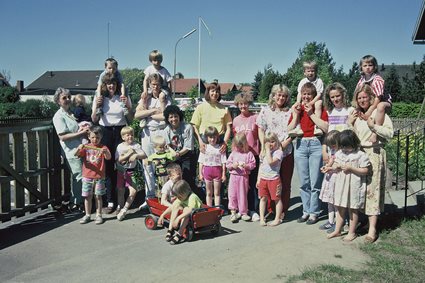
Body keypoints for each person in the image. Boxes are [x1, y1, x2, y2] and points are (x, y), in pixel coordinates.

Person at [349, 84, 394, 243]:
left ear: (370, 97)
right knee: (360, 191)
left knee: (372, 191)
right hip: (359, 154)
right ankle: (365, 222)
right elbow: (351, 139)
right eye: (359, 98)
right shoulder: (355, 114)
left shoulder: (378, 113)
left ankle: (373, 230)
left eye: (364, 97)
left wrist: (374, 127)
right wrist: (350, 123)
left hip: (374, 153)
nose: (362, 100)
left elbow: (390, 133)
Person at [288, 82, 329, 225]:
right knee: (304, 181)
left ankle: (314, 212)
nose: (306, 97)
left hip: (316, 143)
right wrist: (295, 114)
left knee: (315, 181)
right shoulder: (298, 109)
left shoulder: (319, 108)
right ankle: (306, 211)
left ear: (313, 96)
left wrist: (311, 113)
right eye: (304, 94)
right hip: (301, 144)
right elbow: (289, 128)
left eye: (309, 94)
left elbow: (325, 128)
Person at [92, 73, 132, 213]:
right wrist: (98, 105)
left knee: (121, 164)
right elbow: (94, 119)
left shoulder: (122, 97)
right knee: (107, 167)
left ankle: (122, 200)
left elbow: (130, 118)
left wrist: (125, 104)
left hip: (120, 131)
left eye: (113, 84)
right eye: (108, 83)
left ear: (117, 85)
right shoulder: (100, 99)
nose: (111, 86)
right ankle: (110, 201)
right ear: (104, 85)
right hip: (106, 132)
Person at [256, 84, 294, 221]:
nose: (281, 98)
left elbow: (294, 130)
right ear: (273, 95)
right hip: (269, 152)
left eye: (284, 96)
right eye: (279, 95)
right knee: (268, 180)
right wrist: (263, 146)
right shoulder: (265, 111)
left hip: (286, 150)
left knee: (284, 181)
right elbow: (260, 129)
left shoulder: (290, 111)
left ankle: (282, 211)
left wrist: (284, 145)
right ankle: (271, 210)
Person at [135, 74, 172, 210]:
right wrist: (152, 111)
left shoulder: (165, 97)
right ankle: (149, 197)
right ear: (149, 85)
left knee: (163, 164)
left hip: (161, 132)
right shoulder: (146, 98)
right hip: (147, 133)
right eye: (152, 84)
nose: (155, 87)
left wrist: (149, 114)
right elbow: (137, 115)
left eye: (157, 84)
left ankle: (165, 197)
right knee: (148, 165)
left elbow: (165, 117)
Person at [327, 130, 370, 242]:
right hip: (341, 185)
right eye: (342, 146)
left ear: (354, 143)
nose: (345, 149)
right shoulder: (340, 153)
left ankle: (352, 232)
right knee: (340, 207)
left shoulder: (360, 155)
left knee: (353, 208)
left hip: (354, 186)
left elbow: (365, 170)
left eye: (347, 146)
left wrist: (351, 168)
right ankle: (338, 229)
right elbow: (336, 165)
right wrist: (330, 168)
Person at [53, 87, 90, 211]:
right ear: (58, 101)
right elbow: (62, 136)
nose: (68, 99)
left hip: (80, 148)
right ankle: (77, 203)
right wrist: (81, 133)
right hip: (70, 150)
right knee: (78, 175)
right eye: (64, 98)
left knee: (81, 175)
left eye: (69, 97)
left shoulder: (72, 112)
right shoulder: (58, 116)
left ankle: (79, 202)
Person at [75, 126, 112, 225]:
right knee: (87, 196)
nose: (95, 140)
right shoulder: (86, 147)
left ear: (101, 137)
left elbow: (108, 158)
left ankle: (99, 214)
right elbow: (77, 155)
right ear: (89, 137)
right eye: (92, 137)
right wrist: (79, 148)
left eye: (97, 138)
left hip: (99, 176)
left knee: (98, 196)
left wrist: (106, 152)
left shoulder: (103, 147)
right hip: (87, 176)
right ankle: (87, 214)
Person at [232, 93, 260, 221]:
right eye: (240, 104)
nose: (243, 106)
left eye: (245, 103)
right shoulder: (236, 120)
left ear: (249, 104)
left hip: (252, 155)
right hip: (239, 157)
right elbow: (234, 139)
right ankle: (239, 209)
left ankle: (253, 210)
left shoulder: (255, 118)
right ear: (237, 105)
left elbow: (260, 136)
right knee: (240, 185)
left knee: (252, 184)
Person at [163, 105, 198, 197]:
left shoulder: (187, 127)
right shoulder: (166, 130)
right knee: (174, 177)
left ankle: (191, 198)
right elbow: (167, 146)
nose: (173, 119)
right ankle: (176, 197)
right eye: (171, 117)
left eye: (176, 116)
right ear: (167, 119)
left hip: (187, 155)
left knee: (187, 178)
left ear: (179, 116)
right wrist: (173, 153)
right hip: (174, 156)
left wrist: (177, 153)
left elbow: (188, 147)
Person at [356, 55, 392, 144]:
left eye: (370, 65)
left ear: (375, 66)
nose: (367, 68)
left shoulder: (378, 79)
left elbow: (378, 98)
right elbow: (357, 94)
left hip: (384, 101)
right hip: (369, 101)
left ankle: (375, 133)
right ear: (361, 67)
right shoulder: (361, 80)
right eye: (365, 66)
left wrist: (369, 111)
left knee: (380, 106)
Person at [190, 81, 232, 154]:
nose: (215, 93)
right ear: (208, 92)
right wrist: (200, 141)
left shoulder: (224, 109)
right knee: (204, 164)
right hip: (204, 140)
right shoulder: (200, 107)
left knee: (221, 164)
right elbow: (194, 126)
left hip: (220, 140)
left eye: (217, 92)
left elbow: (228, 128)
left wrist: (225, 143)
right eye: (212, 91)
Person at [115, 126, 147, 221]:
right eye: (128, 135)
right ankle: (120, 207)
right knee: (121, 191)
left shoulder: (136, 145)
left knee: (133, 191)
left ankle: (124, 209)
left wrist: (136, 154)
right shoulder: (120, 147)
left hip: (132, 171)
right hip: (121, 171)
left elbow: (144, 155)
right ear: (123, 137)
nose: (130, 137)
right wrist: (129, 153)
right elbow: (119, 159)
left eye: (132, 135)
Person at [158, 180, 203, 245]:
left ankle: (180, 233)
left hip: (197, 214)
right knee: (176, 205)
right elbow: (172, 206)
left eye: (179, 196)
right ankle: (170, 229)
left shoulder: (192, 197)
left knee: (186, 210)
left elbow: (190, 210)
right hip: (189, 213)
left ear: (184, 192)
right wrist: (162, 215)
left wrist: (178, 218)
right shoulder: (182, 197)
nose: (178, 198)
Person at [289, 60, 325, 137]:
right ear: (304, 72)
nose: (310, 73)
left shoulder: (319, 81)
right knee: (295, 107)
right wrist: (298, 102)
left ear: (315, 72)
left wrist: (311, 103)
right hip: (305, 100)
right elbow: (299, 93)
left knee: (319, 103)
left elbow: (319, 94)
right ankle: (298, 127)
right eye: (308, 71)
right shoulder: (303, 81)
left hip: (315, 100)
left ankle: (317, 127)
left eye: (312, 71)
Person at [226, 132, 256, 223]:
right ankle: (233, 212)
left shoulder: (249, 154)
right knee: (232, 194)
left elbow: (253, 164)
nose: (239, 148)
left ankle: (243, 212)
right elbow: (228, 164)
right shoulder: (233, 153)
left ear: (245, 144)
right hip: (233, 177)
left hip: (243, 177)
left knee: (242, 195)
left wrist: (246, 166)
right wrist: (232, 166)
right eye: (237, 146)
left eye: (241, 146)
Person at [256, 132, 284, 227]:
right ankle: (262, 218)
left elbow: (271, 162)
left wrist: (267, 150)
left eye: (272, 142)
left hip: (274, 179)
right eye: (268, 142)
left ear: (276, 142)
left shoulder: (278, 153)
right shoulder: (263, 153)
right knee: (263, 198)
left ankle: (277, 218)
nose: (270, 144)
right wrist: (258, 179)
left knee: (276, 199)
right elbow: (261, 166)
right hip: (264, 179)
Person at [198, 126, 227, 207]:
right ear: (207, 138)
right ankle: (209, 209)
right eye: (210, 137)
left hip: (217, 171)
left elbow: (224, 162)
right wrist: (200, 173)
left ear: (217, 137)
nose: (212, 139)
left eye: (214, 137)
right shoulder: (204, 147)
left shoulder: (220, 148)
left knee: (217, 193)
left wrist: (224, 174)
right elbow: (201, 162)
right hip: (207, 171)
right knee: (209, 192)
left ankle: (217, 209)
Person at [318, 130, 341, 232]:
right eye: (329, 145)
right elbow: (331, 161)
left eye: (333, 145)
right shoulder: (333, 151)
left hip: (337, 179)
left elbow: (339, 166)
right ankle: (330, 221)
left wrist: (330, 168)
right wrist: (326, 166)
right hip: (330, 179)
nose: (331, 147)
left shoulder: (341, 153)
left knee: (336, 203)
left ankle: (338, 222)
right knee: (329, 202)